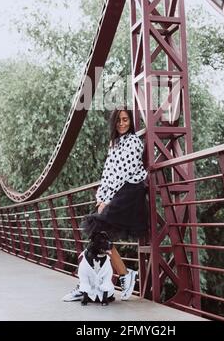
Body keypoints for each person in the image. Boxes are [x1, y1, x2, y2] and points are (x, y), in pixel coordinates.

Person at [62, 106, 149, 302]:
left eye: (125, 119)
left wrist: (107, 200)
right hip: (115, 193)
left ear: (131, 121)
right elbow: (108, 172)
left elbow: (124, 174)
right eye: (118, 120)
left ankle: (89, 286)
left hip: (129, 192)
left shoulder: (134, 142)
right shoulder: (114, 143)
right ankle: (119, 277)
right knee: (99, 237)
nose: (122, 123)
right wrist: (101, 197)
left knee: (97, 230)